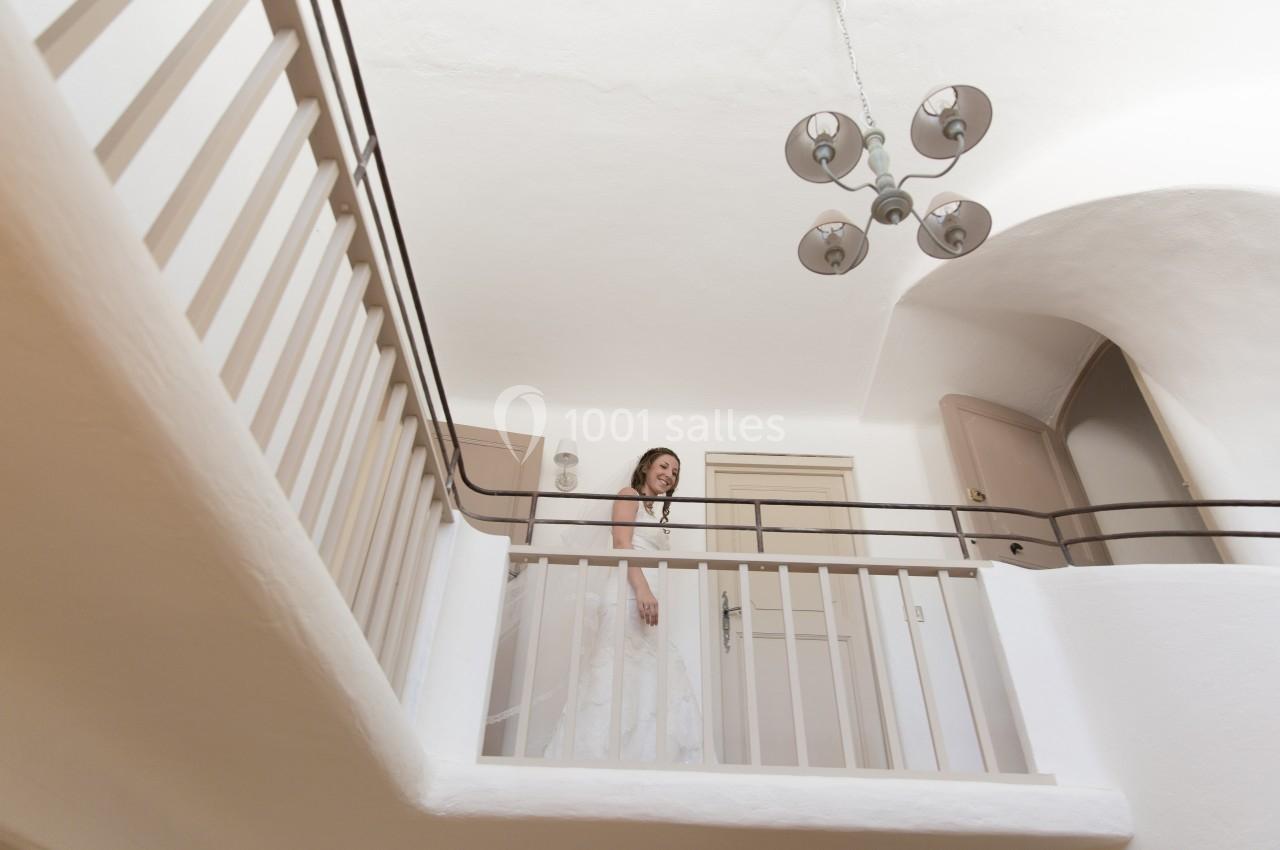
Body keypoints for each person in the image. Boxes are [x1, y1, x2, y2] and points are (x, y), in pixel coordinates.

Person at [543, 448, 703, 762]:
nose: (669, 475)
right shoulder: (628, 496)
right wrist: (642, 590)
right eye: (664, 466)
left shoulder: (651, 513)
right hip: (627, 594)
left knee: (646, 676)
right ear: (646, 468)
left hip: (646, 597)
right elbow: (621, 544)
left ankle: (639, 757)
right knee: (615, 671)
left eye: (674, 472)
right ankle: (593, 756)